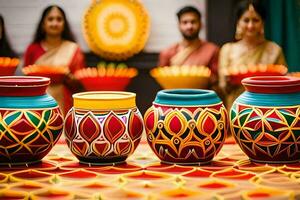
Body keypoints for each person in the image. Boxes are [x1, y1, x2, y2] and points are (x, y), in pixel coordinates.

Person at [219, 0, 287, 110]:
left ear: (263, 23)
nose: (250, 25)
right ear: (238, 22)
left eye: (255, 20)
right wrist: (229, 82)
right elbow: (223, 87)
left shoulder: (274, 50)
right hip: (236, 110)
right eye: (246, 20)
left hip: (268, 109)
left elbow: (283, 85)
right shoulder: (227, 50)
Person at [24, 5, 85, 114]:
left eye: (59, 19)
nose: (55, 23)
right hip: (37, 104)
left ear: (64, 24)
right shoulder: (33, 49)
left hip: (66, 104)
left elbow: (80, 83)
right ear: (43, 24)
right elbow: (26, 80)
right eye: (50, 19)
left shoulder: (73, 49)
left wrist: (68, 77)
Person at [158, 6, 220, 87]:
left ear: (201, 24)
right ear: (179, 25)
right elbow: (163, 81)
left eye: (193, 22)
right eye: (185, 22)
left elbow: (216, 80)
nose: (189, 26)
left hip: (202, 97)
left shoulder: (212, 50)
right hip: (175, 97)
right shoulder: (167, 52)